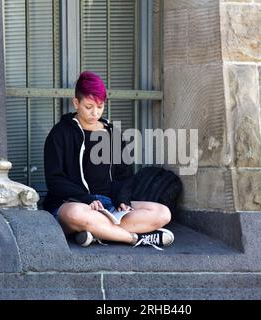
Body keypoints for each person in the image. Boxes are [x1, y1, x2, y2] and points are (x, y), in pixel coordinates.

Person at [42, 71, 174, 249]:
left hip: (108, 205)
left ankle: (96, 232)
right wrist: (86, 199)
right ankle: (134, 239)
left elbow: (124, 176)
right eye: (88, 107)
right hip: (74, 203)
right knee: (75, 214)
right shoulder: (60, 133)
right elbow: (54, 180)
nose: (94, 113)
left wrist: (122, 200)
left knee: (162, 213)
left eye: (100, 106)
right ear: (76, 103)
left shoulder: (112, 134)